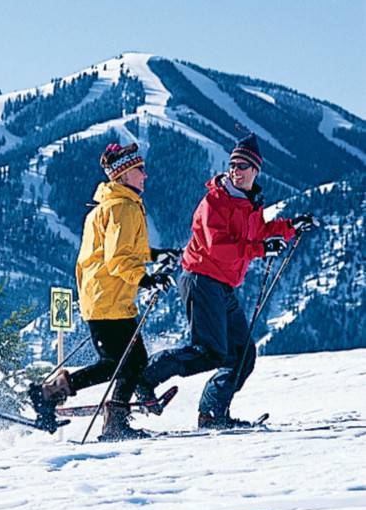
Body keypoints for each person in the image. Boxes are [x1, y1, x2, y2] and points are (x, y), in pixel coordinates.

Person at [138, 134, 319, 429]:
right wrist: (260, 250)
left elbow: (258, 232)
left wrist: (290, 227)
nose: (237, 170)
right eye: (234, 164)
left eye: (243, 165)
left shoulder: (249, 204)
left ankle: (212, 413)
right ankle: (146, 377)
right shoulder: (215, 201)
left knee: (242, 353)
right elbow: (217, 246)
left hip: (222, 284)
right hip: (201, 277)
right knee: (208, 353)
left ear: (255, 170)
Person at [29, 142, 178, 440]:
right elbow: (118, 258)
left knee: (131, 361)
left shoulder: (117, 204)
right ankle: (52, 395)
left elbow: (123, 249)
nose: (145, 175)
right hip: (108, 299)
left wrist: (154, 254)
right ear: (123, 175)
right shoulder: (122, 207)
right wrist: (146, 280)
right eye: (140, 170)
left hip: (108, 297)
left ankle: (115, 417)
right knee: (117, 364)